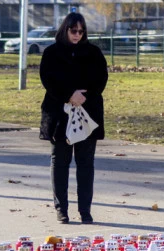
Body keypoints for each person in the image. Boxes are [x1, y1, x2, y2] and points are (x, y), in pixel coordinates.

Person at [39, 12, 108, 225]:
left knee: (85, 163)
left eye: (81, 31)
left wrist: (83, 97)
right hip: (59, 114)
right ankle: (62, 210)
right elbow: (47, 79)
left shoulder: (93, 53)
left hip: (87, 114)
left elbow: (101, 79)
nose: (77, 34)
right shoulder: (52, 53)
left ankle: (85, 210)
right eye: (73, 30)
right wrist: (69, 95)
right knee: (60, 162)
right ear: (65, 29)